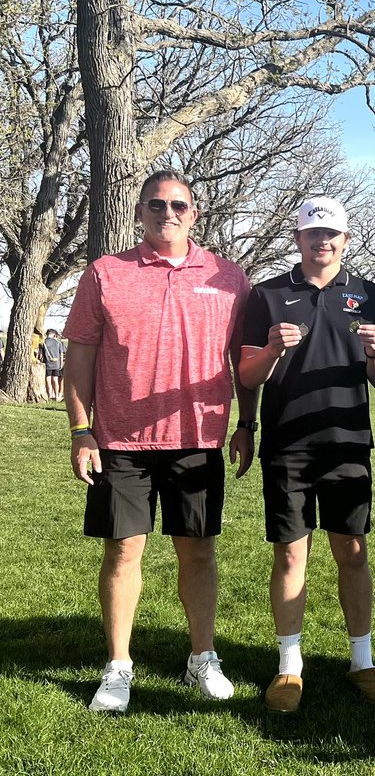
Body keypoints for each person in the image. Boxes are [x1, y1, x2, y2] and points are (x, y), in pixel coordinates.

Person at [62, 169, 256, 713]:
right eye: (155, 204)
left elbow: (244, 362)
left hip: (198, 438)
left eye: (177, 205)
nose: (166, 213)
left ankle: (202, 658)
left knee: (198, 550)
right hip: (120, 440)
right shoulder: (106, 272)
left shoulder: (228, 277)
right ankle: (118, 666)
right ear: (139, 211)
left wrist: (247, 423)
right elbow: (80, 357)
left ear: (194, 213)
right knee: (123, 550)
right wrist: (80, 430)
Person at [238, 196, 375, 713]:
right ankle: (289, 666)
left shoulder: (370, 296)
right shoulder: (267, 294)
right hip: (288, 443)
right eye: (312, 233)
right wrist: (271, 350)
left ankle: (362, 662)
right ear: (298, 239)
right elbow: (247, 375)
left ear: (345, 240)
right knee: (290, 553)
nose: (321, 241)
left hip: (347, 443)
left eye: (330, 234)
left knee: (353, 551)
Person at [41, 329, 66, 401]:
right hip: (57, 364)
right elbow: (61, 354)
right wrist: (61, 364)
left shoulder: (44, 342)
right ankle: (57, 396)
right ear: (54, 335)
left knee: (48, 379)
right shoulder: (58, 342)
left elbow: (41, 354)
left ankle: (50, 395)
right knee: (55, 380)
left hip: (47, 363)